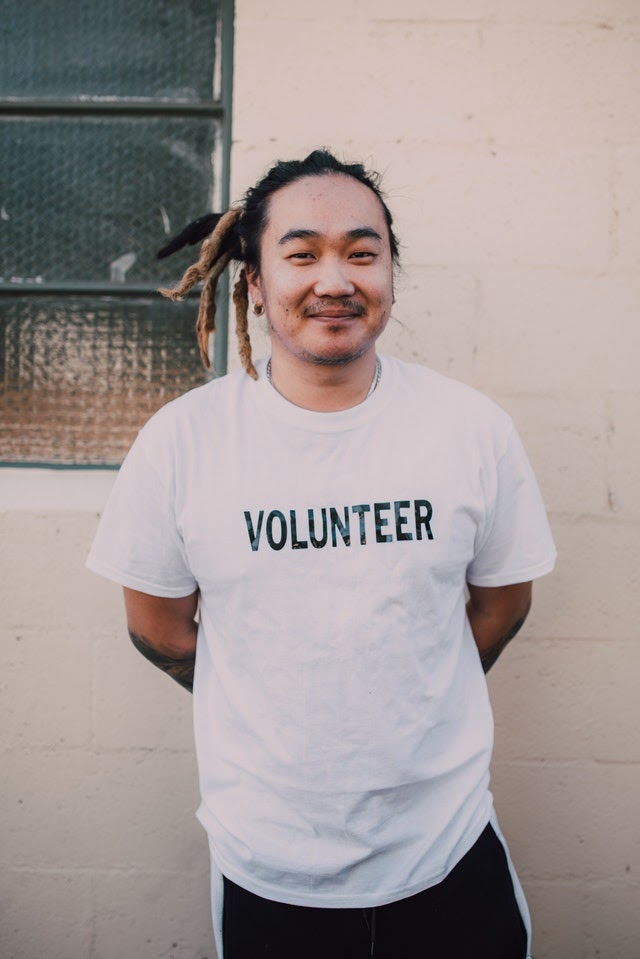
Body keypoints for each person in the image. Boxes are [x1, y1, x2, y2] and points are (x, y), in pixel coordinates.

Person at [87, 149, 556, 959]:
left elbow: (502, 606)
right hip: (271, 870)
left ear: (390, 275)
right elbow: (158, 627)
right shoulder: (184, 442)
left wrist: (404, 679)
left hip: (447, 854)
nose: (334, 279)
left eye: (361, 252)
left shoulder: (470, 428)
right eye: (301, 253)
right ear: (257, 283)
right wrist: (270, 691)